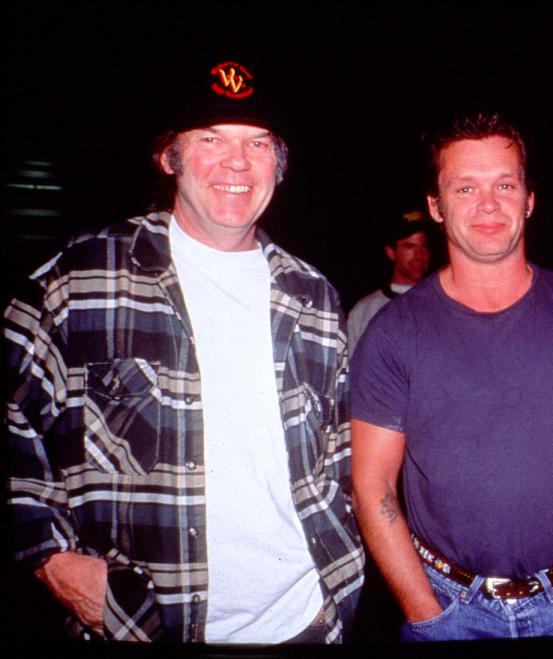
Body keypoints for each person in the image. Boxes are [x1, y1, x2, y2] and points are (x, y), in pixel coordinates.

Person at [4, 58, 363, 643]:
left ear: (280, 163)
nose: (237, 163)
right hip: (144, 625)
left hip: (307, 619)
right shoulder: (80, 279)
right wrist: (49, 558)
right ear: (170, 156)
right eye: (211, 139)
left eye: (258, 143)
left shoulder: (314, 296)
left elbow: (340, 454)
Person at [350, 113, 553, 641]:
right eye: (465, 187)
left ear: (529, 199)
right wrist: (426, 615)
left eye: (505, 185)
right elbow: (372, 485)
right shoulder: (393, 331)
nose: (487, 204)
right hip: (446, 608)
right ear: (436, 206)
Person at [347, 210, 430, 352]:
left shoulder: (442, 303)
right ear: (391, 252)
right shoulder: (365, 310)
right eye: (409, 247)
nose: (419, 255)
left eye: (424, 246)